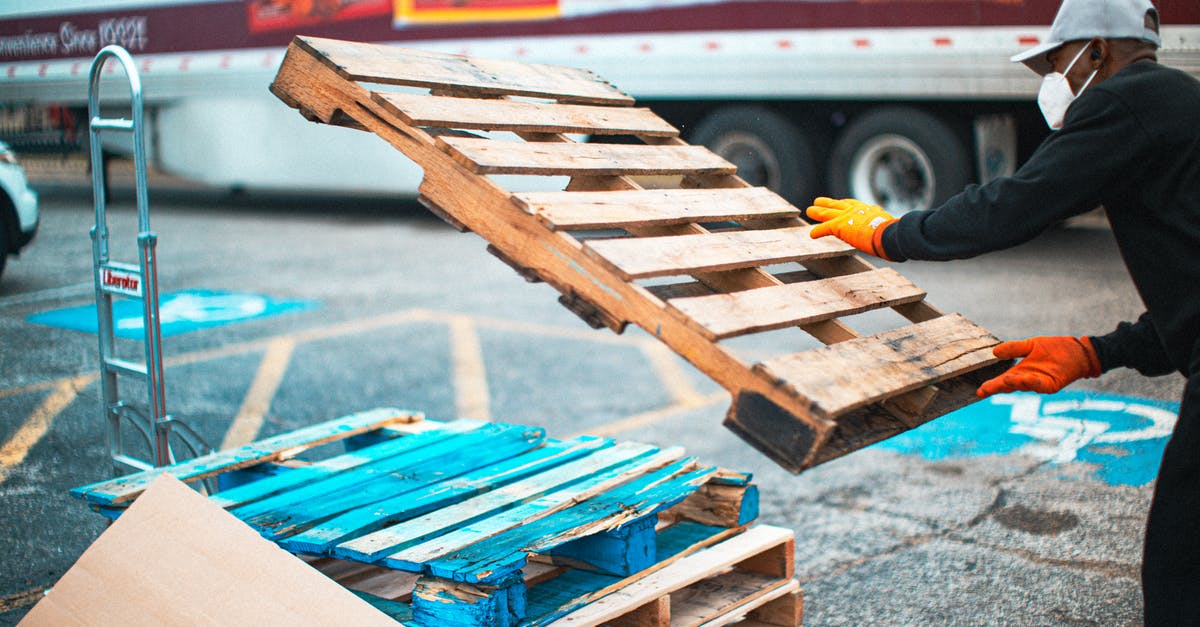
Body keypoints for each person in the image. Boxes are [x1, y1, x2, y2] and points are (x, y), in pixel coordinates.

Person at [805, 0, 1199, 623]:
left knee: (1182, 572)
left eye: (1058, 62)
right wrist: (1102, 351)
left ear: (1096, 50)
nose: (1057, 80)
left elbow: (1013, 206)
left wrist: (893, 234)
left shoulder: (1123, 102)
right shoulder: (1177, 103)